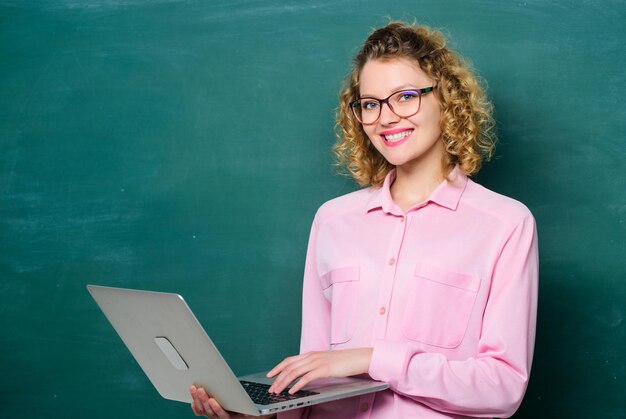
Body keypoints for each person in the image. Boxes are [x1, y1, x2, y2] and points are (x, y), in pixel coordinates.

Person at [190, 21, 538, 419]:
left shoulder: (505, 224)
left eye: (405, 97)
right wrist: (256, 414)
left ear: (447, 100)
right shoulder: (333, 220)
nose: (385, 118)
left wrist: (372, 359)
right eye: (370, 103)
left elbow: (503, 388)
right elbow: (313, 381)